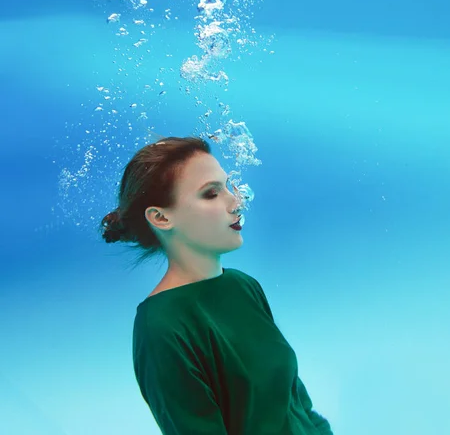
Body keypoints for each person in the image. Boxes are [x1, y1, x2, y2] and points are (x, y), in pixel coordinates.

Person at [100, 136, 333, 434]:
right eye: (211, 194)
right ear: (161, 217)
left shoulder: (244, 286)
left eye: (227, 186)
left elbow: (298, 405)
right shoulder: (160, 327)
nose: (235, 201)